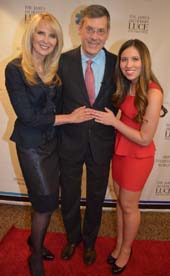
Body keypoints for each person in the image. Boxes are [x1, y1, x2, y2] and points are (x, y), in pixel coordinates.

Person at [5, 12, 93, 276]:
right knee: (44, 202)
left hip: (53, 143)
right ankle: (35, 257)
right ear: (31, 35)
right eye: (41, 33)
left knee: (49, 199)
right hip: (31, 145)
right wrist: (70, 118)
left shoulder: (56, 69)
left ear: (58, 40)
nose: (46, 39)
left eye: (52, 35)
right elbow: (28, 116)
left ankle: (35, 240)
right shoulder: (15, 68)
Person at [94, 39, 167, 274]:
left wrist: (114, 122)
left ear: (144, 61)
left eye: (134, 59)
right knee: (120, 203)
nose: (128, 64)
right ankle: (118, 246)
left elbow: (145, 137)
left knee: (129, 205)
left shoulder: (154, 92)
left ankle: (126, 250)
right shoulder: (125, 85)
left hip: (138, 155)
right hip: (120, 150)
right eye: (124, 59)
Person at [58, 5, 117, 265]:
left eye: (100, 31)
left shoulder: (118, 63)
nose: (94, 36)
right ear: (79, 28)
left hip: (102, 144)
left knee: (96, 197)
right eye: (90, 29)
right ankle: (73, 238)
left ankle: (90, 242)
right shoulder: (63, 60)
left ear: (107, 33)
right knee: (69, 195)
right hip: (69, 141)